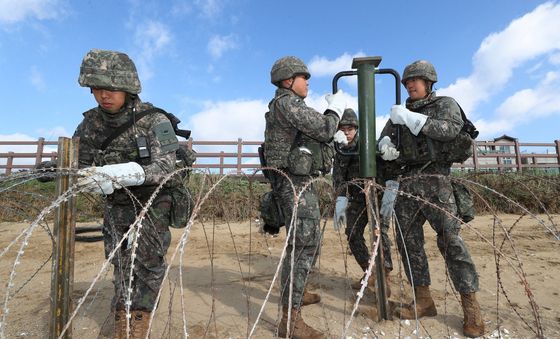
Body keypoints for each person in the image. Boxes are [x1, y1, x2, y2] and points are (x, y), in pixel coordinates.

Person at [74, 49, 181, 338]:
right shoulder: (90, 125)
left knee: (147, 261)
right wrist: (64, 171)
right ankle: (122, 311)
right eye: (96, 89)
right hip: (117, 204)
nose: (103, 96)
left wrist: (120, 174)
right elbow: (78, 163)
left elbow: (166, 164)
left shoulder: (155, 120)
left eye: (110, 89)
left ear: (127, 86)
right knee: (120, 261)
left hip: (153, 201)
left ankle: (140, 315)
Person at [378, 60, 484, 338]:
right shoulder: (399, 113)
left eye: (415, 80)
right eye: (407, 82)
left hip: (437, 181)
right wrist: (385, 145)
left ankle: (470, 306)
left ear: (429, 83)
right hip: (408, 183)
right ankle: (423, 299)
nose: (410, 85)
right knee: (409, 244)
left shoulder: (445, 104)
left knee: (451, 242)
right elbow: (383, 140)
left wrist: (416, 120)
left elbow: (450, 130)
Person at [265, 56, 347, 338]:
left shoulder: (288, 105)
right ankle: (291, 319)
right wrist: (335, 110)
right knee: (302, 245)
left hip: (300, 182)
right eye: (304, 77)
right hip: (294, 184)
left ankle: (299, 292)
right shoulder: (287, 103)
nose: (308, 82)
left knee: (308, 242)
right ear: (289, 81)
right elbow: (324, 128)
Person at [332, 108, 393, 295]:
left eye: (350, 128)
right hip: (358, 197)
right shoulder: (340, 147)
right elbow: (339, 176)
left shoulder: (369, 144)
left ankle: (385, 272)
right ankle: (370, 271)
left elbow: (387, 163)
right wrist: (340, 198)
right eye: (342, 129)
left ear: (357, 129)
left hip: (377, 195)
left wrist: (391, 189)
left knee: (379, 232)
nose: (347, 132)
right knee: (352, 232)